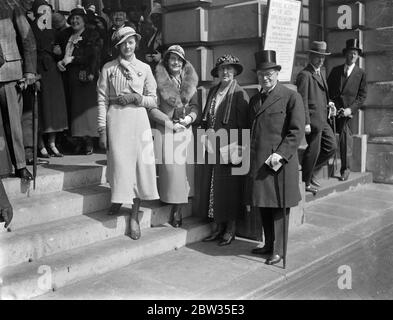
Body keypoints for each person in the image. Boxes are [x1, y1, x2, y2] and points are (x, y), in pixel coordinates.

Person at [97, 26, 175, 240]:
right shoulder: (108, 68)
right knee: (119, 163)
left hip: (139, 120)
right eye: (123, 43)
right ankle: (118, 198)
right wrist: (102, 129)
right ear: (118, 46)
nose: (127, 46)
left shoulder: (144, 68)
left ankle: (134, 215)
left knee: (140, 166)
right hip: (117, 120)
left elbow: (154, 99)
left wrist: (136, 98)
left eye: (131, 42)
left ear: (136, 44)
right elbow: (102, 99)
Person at [248, 50, 305, 265]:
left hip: (280, 163)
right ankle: (269, 245)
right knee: (264, 205)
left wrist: (280, 155)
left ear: (277, 73)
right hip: (260, 163)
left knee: (279, 208)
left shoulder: (291, 96)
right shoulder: (255, 100)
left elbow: (296, 131)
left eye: (270, 73)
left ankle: (279, 250)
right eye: (262, 73)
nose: (266, 77)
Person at [200, 54, 249, 246]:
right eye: (222, 69)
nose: (226, 72)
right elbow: (206, 118)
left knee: (230, 189)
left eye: (229, 68)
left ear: (235, 71)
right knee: (214, 188)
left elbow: (245, 126)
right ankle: (217, 227)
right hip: (213, 147)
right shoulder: (213, 91)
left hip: (231, 148)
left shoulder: (239, 94)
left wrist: (239, 151)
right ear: (218, 72)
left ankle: (230, 229)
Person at [155, 45, 200, 227]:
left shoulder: (190, 83)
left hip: (185, 130)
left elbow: (196, 106)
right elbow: (153, 109)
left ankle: (178, 210)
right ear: (167, 61)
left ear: (183, 63)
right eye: (172, 59)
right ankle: (168, 197)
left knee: (183, 172)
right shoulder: (158, 83)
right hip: (166, 129)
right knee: (170, 170)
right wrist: (168, 122)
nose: (175, 62)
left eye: (179, 59)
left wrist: (189, 119)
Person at [0, 0, 37, 181]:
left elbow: (27, 37)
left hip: (9, 72)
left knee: (12, 123)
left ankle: (20, 165)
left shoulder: (10, 5)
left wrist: (29, 71)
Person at [57, 6, 101, 155]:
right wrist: (60, 60)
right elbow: (60, 53)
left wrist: (74, 59)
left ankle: (89, 142)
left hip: (84, 76)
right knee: (74, 109)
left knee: (85, 110)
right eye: (73, 19)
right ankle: (77, 141)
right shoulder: (66, 35)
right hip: (70, 77)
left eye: (78, 18)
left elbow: (93, 55)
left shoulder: (91, 34)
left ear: (84, 21)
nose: (75, 21)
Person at [296, 41, 337, 194]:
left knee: (331, 147)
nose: (321, 60)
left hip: (323, 119)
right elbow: (302, 100)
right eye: (318, 57)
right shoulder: (305, 75)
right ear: (310, 56)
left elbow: (322, 96)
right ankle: (305, 182)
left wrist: (330, 104)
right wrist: (306, 122)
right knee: (312, 151)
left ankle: (309, 172)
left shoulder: (320, 72)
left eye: (323, 57)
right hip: (313, 121)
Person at [30, 0, 68, 158]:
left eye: (48, 11)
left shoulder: (54, 31)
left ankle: (52, 143)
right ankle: (41, 144)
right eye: (42, 10)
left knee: (55, 108)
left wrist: (58, 53)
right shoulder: (30, 30)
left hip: (53, 71)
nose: (46, 14)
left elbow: (60, 50)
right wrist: (33, 75)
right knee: (42, 107)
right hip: (39, 69)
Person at [327, 39, 367, 181]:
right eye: (350, 53)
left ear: (357, 56)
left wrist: (350, 110)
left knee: (345, 141)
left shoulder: (361, 74)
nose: (352, 56)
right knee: (326, 138)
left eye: (355, 54)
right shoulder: (336, 71)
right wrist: (330, 104)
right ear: (346, 54)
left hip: (347, 114)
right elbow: (328, 91)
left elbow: (362, 96)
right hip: (332, 112)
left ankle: (345, 169)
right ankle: (322, 167)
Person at [140, 2, 164, 73]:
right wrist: (146, 57)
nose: (155, 20)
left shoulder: (167, 33)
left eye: (157, 17)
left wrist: (161, 57)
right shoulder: (153, 34)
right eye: (153, 17)